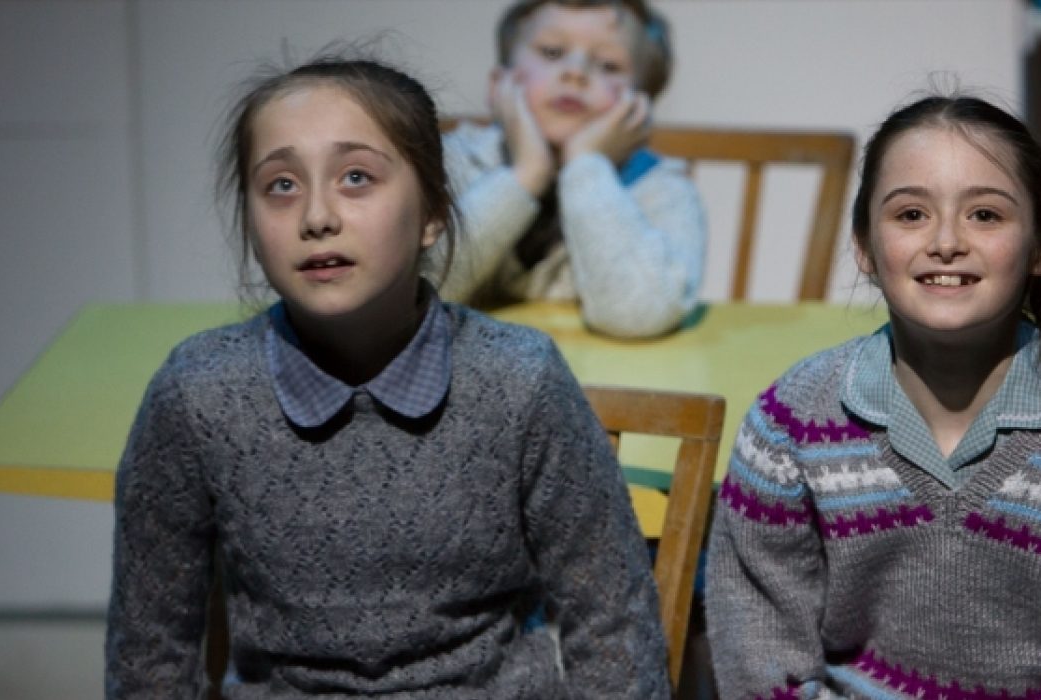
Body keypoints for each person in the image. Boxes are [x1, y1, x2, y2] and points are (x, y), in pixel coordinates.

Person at [104, 55, 669, 699]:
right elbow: (150, 651)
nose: (316, 216)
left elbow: (614, 622)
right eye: (281, 186)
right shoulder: (198, 392)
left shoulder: (520, 379)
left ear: (431, 212)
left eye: (355, 177)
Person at [705, 94, 1041, 698]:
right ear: (864, 246)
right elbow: (761, 656)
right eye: (911, 214)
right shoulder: (789, 426)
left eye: (986, 216)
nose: (946, 241)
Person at [435, 0, 706, 339]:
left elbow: (637, 315)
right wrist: (527, 175)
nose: (576, 72)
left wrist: (585, 165)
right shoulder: (453, 160)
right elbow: (418, 291)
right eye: (551, 52)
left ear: (640, 106)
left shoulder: (661, 188)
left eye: (608, 66)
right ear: (498, 84)